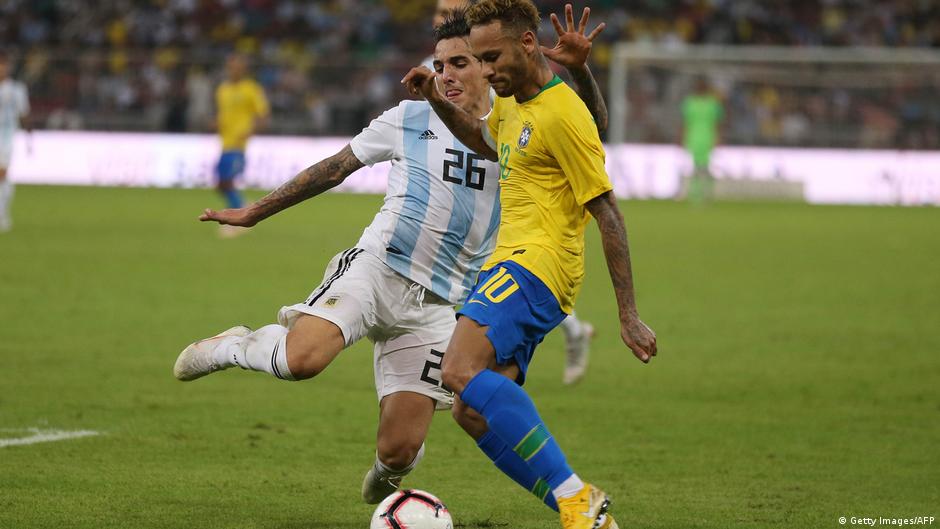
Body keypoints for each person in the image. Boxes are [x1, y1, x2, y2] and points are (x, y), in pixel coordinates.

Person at [174, 9, 609, 508]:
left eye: (461, 63)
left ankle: (387, 481)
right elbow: (335, 168)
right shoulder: (408, 119)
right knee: (303, 360)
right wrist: (256, 210)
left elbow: (590, 133)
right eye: (440, 65)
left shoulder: (511, 124)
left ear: (487, 67)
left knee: (399, 451)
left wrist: (580, 73)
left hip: (438, 306)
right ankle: (232, 346)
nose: (447, 75)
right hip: (378, 269)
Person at [402, 1, 657, 528]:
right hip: (516, 265)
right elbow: (483, 141)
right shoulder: (511, 101)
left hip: (536, 265)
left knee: (457, 370)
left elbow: (607, 211)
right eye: (478, 59)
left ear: (526, 44)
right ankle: (589, 516)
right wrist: (435, 98)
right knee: (470, 411)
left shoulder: (559, 112)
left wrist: (627, 313)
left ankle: (575, 498)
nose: (486, 70)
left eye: (492, 57)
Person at [433, 0, 598, 386]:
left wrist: (578, 71)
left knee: (460, 366)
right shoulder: (444, 65)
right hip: (503, 225)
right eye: (440, 10)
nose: (443, 16)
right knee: (474, 393)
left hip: (526, 233)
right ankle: (573, 330)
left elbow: (585, 121)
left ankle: (573, 330)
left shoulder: (501, 74)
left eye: (451, 9)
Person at [213, 53, 269, 237]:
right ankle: (242, 207)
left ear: (243, 69)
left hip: (239, 145)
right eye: (231, 66)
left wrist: (250, 131)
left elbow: (262, 115)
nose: (234, 69)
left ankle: (239, 217)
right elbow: (223, 114)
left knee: (228, 180)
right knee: (221, 183)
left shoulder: (251, 89)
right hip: (225, 143)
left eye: (237, 66)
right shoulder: (222, 90)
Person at [0, 51, 30, 233]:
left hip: (6, 136)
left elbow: (24, 114)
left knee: (2, 174)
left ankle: (3, 215)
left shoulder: (17, 90)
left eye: (4, 64)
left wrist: (29, 138)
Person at [681, 76, 724, 203]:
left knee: (705, 167)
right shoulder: (689, 102)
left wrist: (718, 137)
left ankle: (707, 193)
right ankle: (695, 194)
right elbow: (685, 122)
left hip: (708, 137)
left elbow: (718, 123)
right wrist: (682, 137)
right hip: (693, 137)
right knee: (695, 167)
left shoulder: (713, 103)